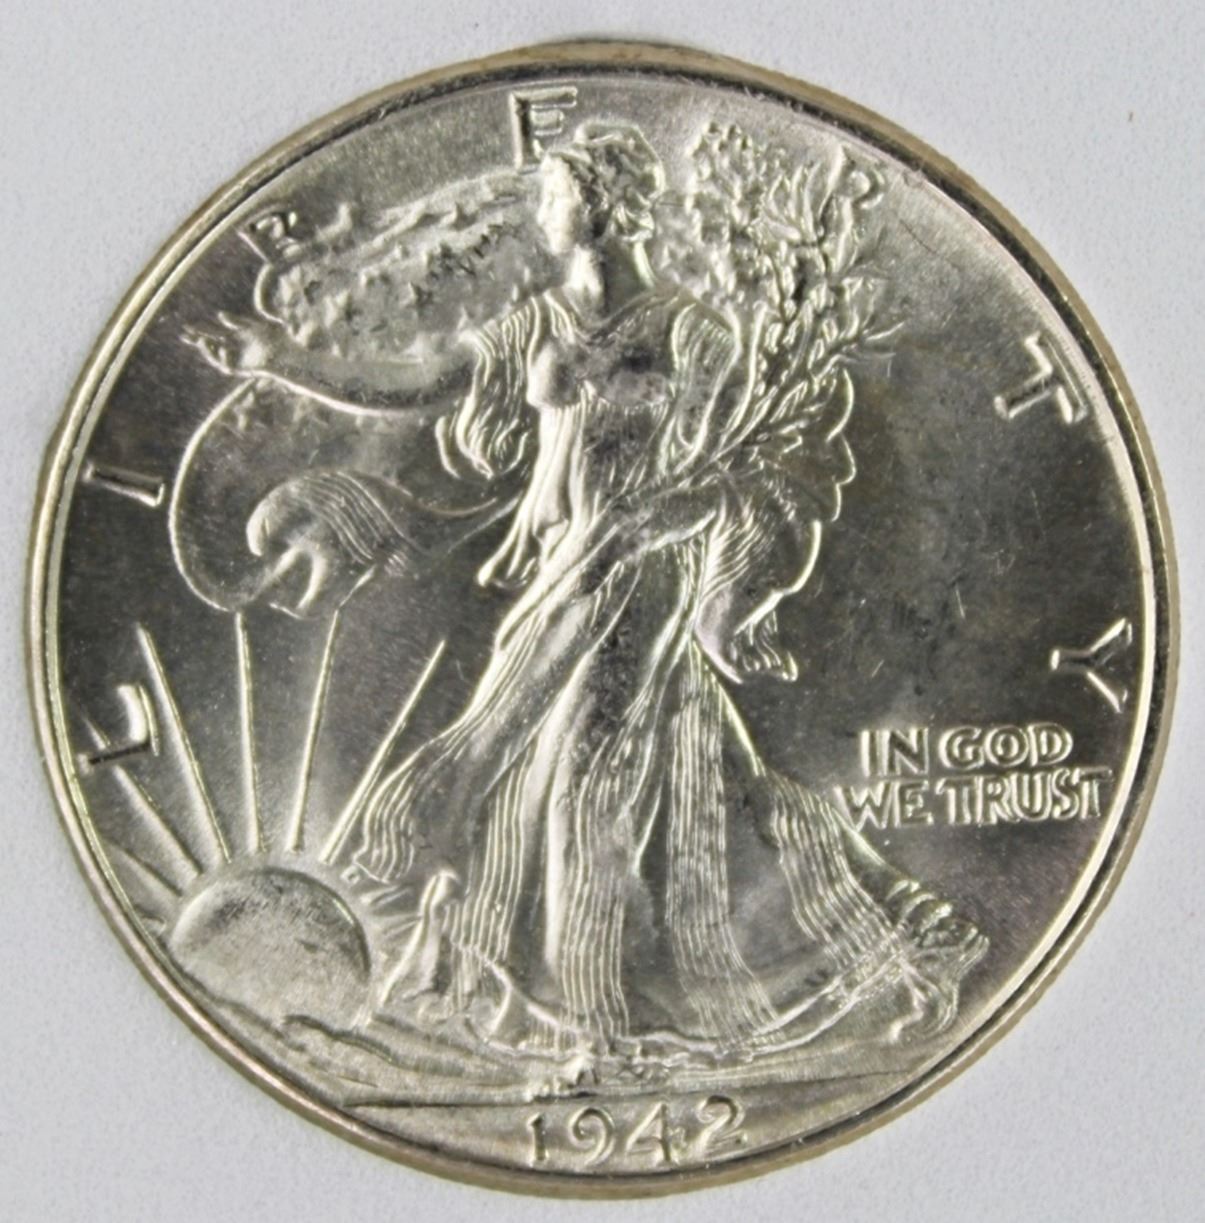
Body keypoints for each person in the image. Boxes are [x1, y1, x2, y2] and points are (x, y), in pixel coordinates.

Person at [192, 121, 985, 1073]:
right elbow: (421, 383)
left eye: (556, 192)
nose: (543, 210)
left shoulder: (692, 332)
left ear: (600, 203)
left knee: (584, 778)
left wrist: (655, 527)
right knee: (579, 774)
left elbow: (716, 478)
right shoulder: (535, 321)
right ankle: (587, 994)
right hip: (562, 570)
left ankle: (598, 1025)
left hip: (639, 573)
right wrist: (278, 359)